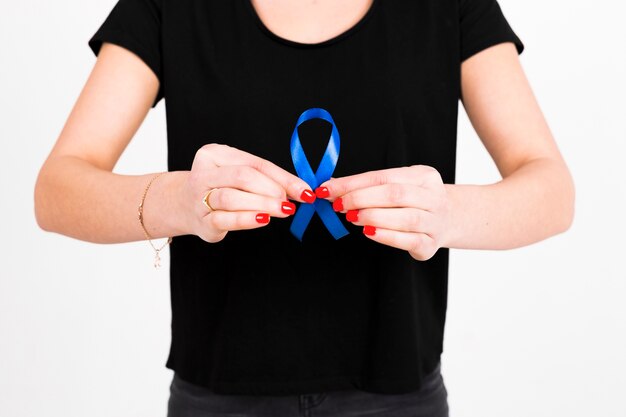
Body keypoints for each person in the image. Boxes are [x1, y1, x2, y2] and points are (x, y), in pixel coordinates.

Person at [34, 0, 575, 416]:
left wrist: (447, 213)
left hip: (397, 396)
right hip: (218, 398)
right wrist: (179, 200)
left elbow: (553, 191)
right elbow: (56, 190)